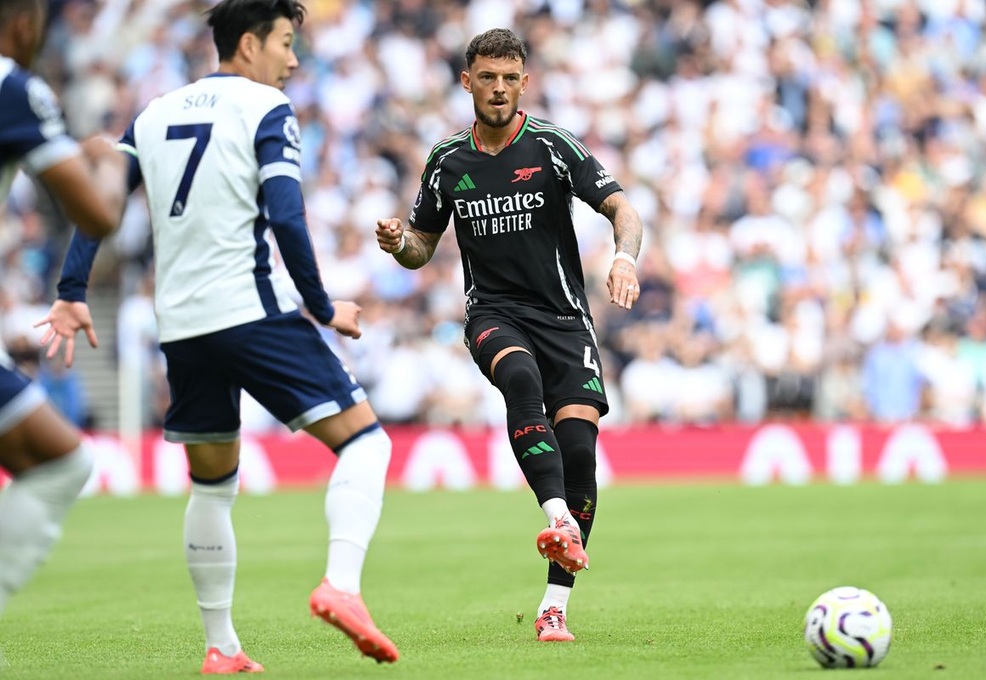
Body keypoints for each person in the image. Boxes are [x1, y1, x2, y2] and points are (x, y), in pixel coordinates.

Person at [38, 0, 398, 672]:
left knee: (211, 485)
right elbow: (287, 217)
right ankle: (341, 586)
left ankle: (222, 646)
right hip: (251, 311)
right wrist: (321, 307)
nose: (294, 59)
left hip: (182, 328)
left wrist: (70, 292)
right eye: (287, 43)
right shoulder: (265, 109)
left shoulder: (154, 114)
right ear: (250, 43)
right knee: (366, 443)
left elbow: (100, 205)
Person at [375, 28, 644, 643]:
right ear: (467, 81)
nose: (498, 89)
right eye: (487, 77)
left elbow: (623, 209)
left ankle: (555, 607)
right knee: (517, 376)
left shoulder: (551, 146)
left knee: (579, 451)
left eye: (509, 78)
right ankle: (556, 516)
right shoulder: (448, 160)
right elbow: (421, 245)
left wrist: (624, 258)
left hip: (565, 319)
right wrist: (399, 245)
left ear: (525, 83)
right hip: (493, 313)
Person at [0, 0, 126, 626]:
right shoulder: (13, 87)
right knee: (60, 460)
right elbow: (98, 215)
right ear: (25, 24)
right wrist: (107, 161)